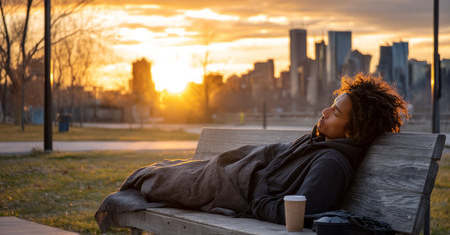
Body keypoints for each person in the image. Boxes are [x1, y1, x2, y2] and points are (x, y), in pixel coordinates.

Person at [95, 74, 409, 231]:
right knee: (170, 171)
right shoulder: (322, 143)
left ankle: (149, 179)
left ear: (353, 131)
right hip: (240, 169)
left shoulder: (332, 164)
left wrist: (259, 203)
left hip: (236, 186)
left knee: (158, 180)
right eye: (332, 103)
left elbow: (297, 215)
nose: (325, 111)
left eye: (336, 112)